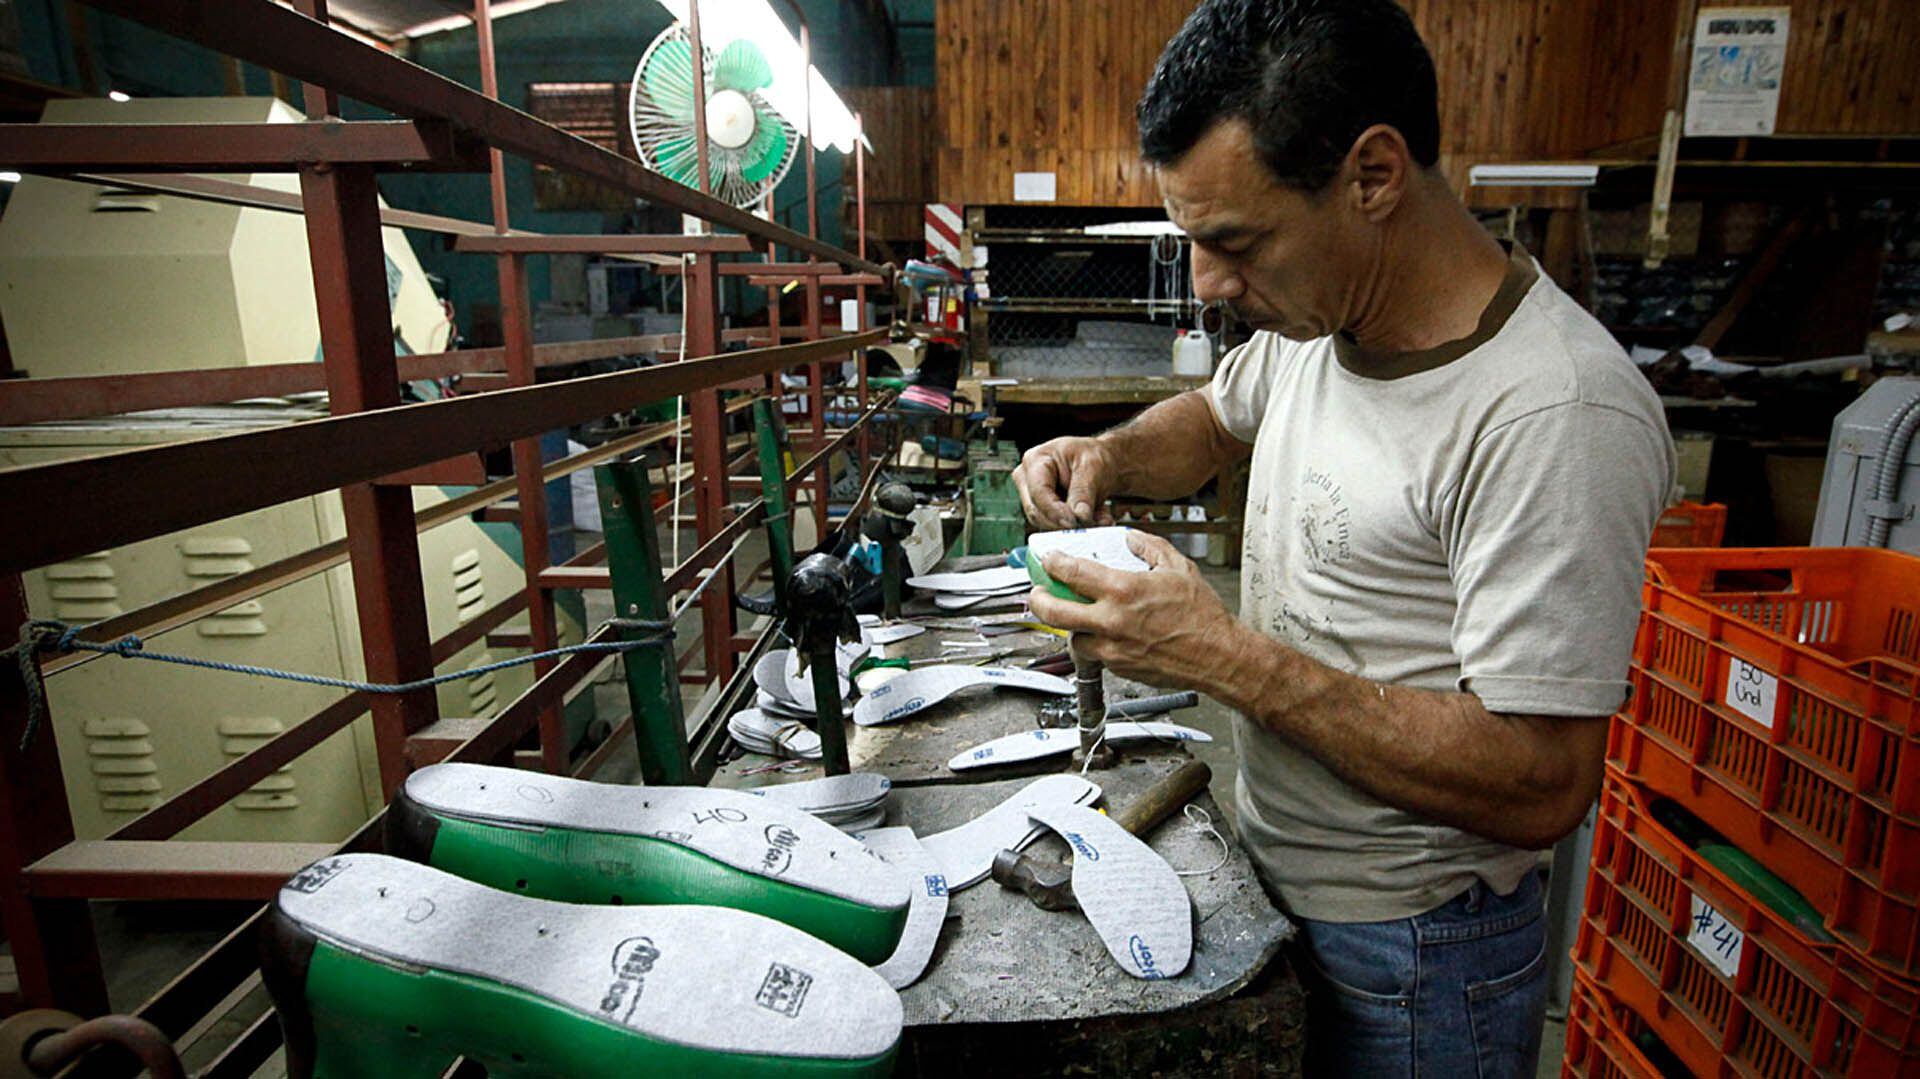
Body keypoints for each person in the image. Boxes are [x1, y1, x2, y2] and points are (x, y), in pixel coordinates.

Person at [1012, 1, 1676, 1074]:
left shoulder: (1551, 412)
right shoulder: (1322, 319)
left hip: (1419, 950)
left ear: (1373, 175)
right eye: (1194, 240)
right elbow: (1218, 419)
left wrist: (1217, 654)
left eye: (1233, 242)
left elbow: (1543, 779)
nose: (1210, 286)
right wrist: (1109, 453)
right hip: (1279, 872)